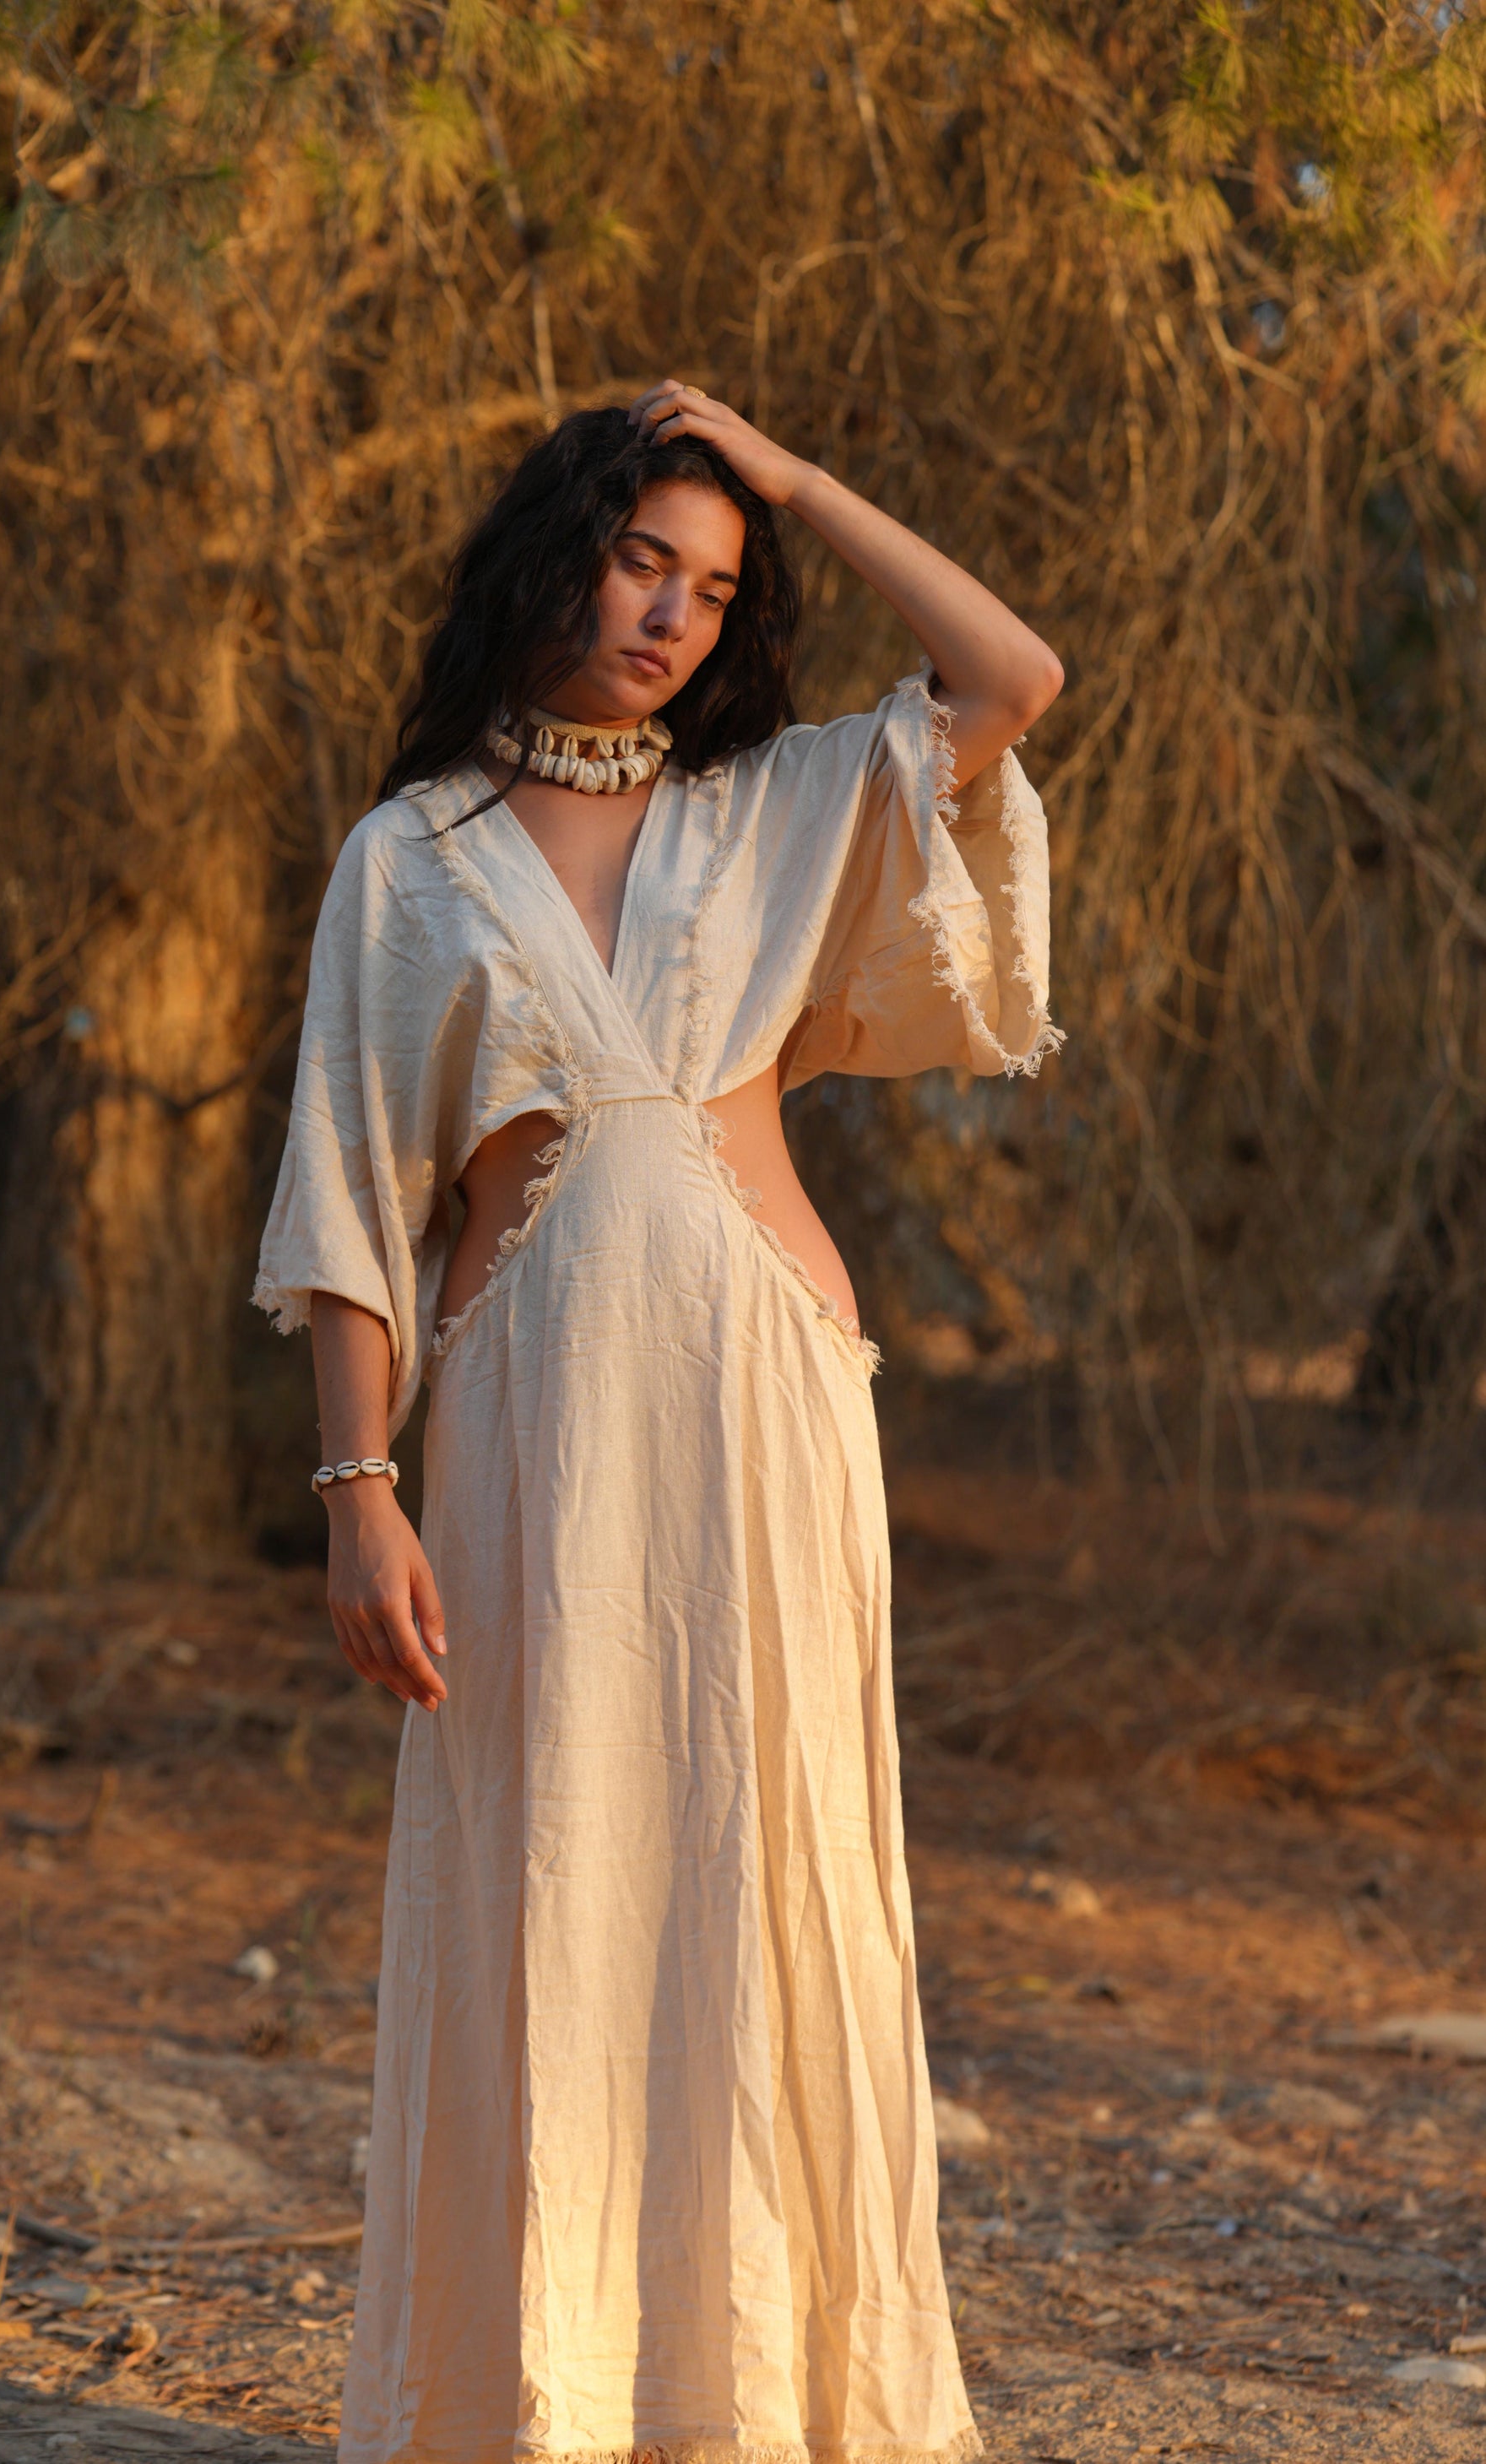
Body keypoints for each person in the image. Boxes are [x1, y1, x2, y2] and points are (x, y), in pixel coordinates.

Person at [256, 379, 1062, 2464]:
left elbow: (1011, 674)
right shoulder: (404, 855)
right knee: (554, 1876)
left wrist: (789, 478)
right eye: (642, 558)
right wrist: (358, 1491)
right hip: (527, 1424)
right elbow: (352, 1189)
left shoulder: (771, 802)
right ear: (557, 550)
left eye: (716, 585)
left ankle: (771, 2408)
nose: (675, 615)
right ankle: (539, 2403)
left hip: (767, 1401)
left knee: (760, 1858)